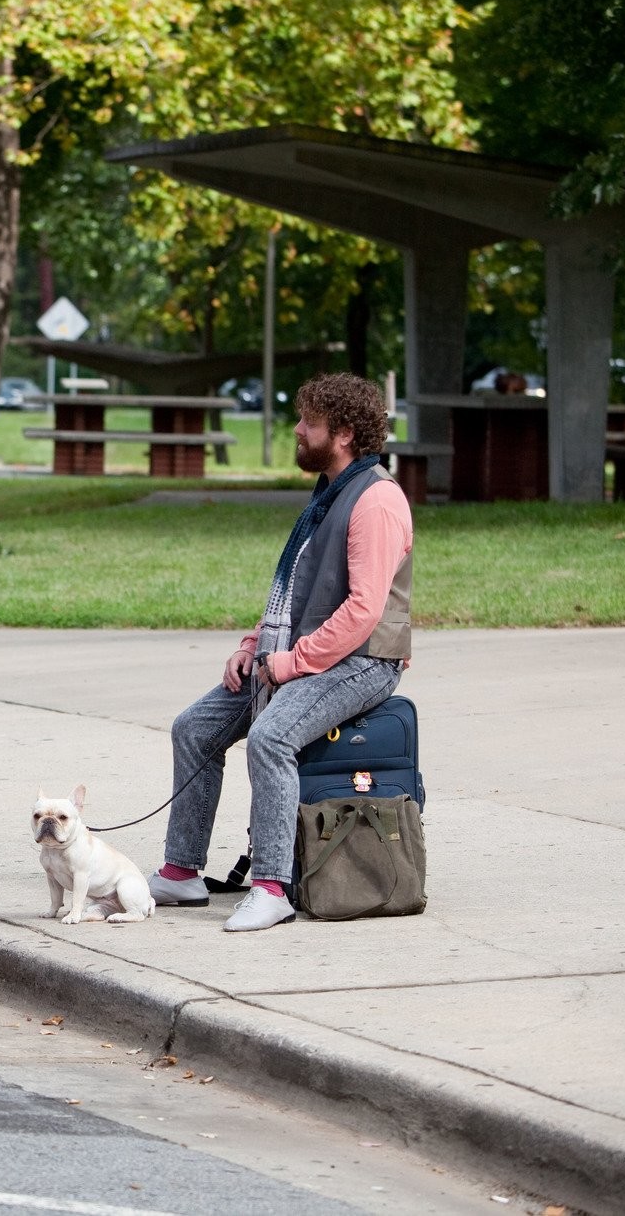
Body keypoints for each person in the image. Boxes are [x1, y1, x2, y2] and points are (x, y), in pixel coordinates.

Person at [149, 373, 414, 932]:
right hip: (302, 654)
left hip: (364, 662)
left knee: (271, 739)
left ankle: (273, 887)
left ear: (342, 433)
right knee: (194, 728)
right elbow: (297, 589)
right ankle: (181, 872)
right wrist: (254, 646)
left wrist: (290, 664)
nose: (297, 429)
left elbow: (364, 611)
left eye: (308, 423)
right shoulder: (329, 492)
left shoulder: (377, 500)